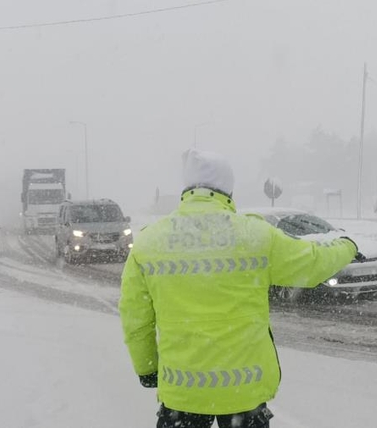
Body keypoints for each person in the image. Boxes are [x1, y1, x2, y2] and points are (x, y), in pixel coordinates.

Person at [119, 149, 358, 428]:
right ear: (228, 191)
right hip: (244, 391)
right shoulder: (254, 235)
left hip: (181, 392)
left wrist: (147, 367)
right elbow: (313, 263)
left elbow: (135, 315)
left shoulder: (150, 242)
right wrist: (347, 245)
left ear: (186, 188)